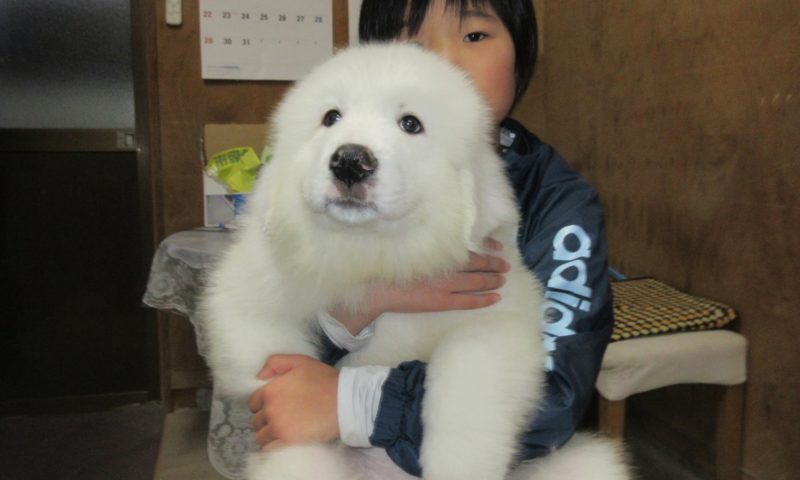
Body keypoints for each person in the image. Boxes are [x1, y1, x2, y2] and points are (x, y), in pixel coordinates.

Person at [247, 0, 614, 476]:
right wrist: (361, 306)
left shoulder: (559, 204)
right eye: (412, 41)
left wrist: (353, 402)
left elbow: (555, 398)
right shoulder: (334, 169)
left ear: (521, 56)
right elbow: (273, 364)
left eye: (475, 36)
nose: (445, 61)